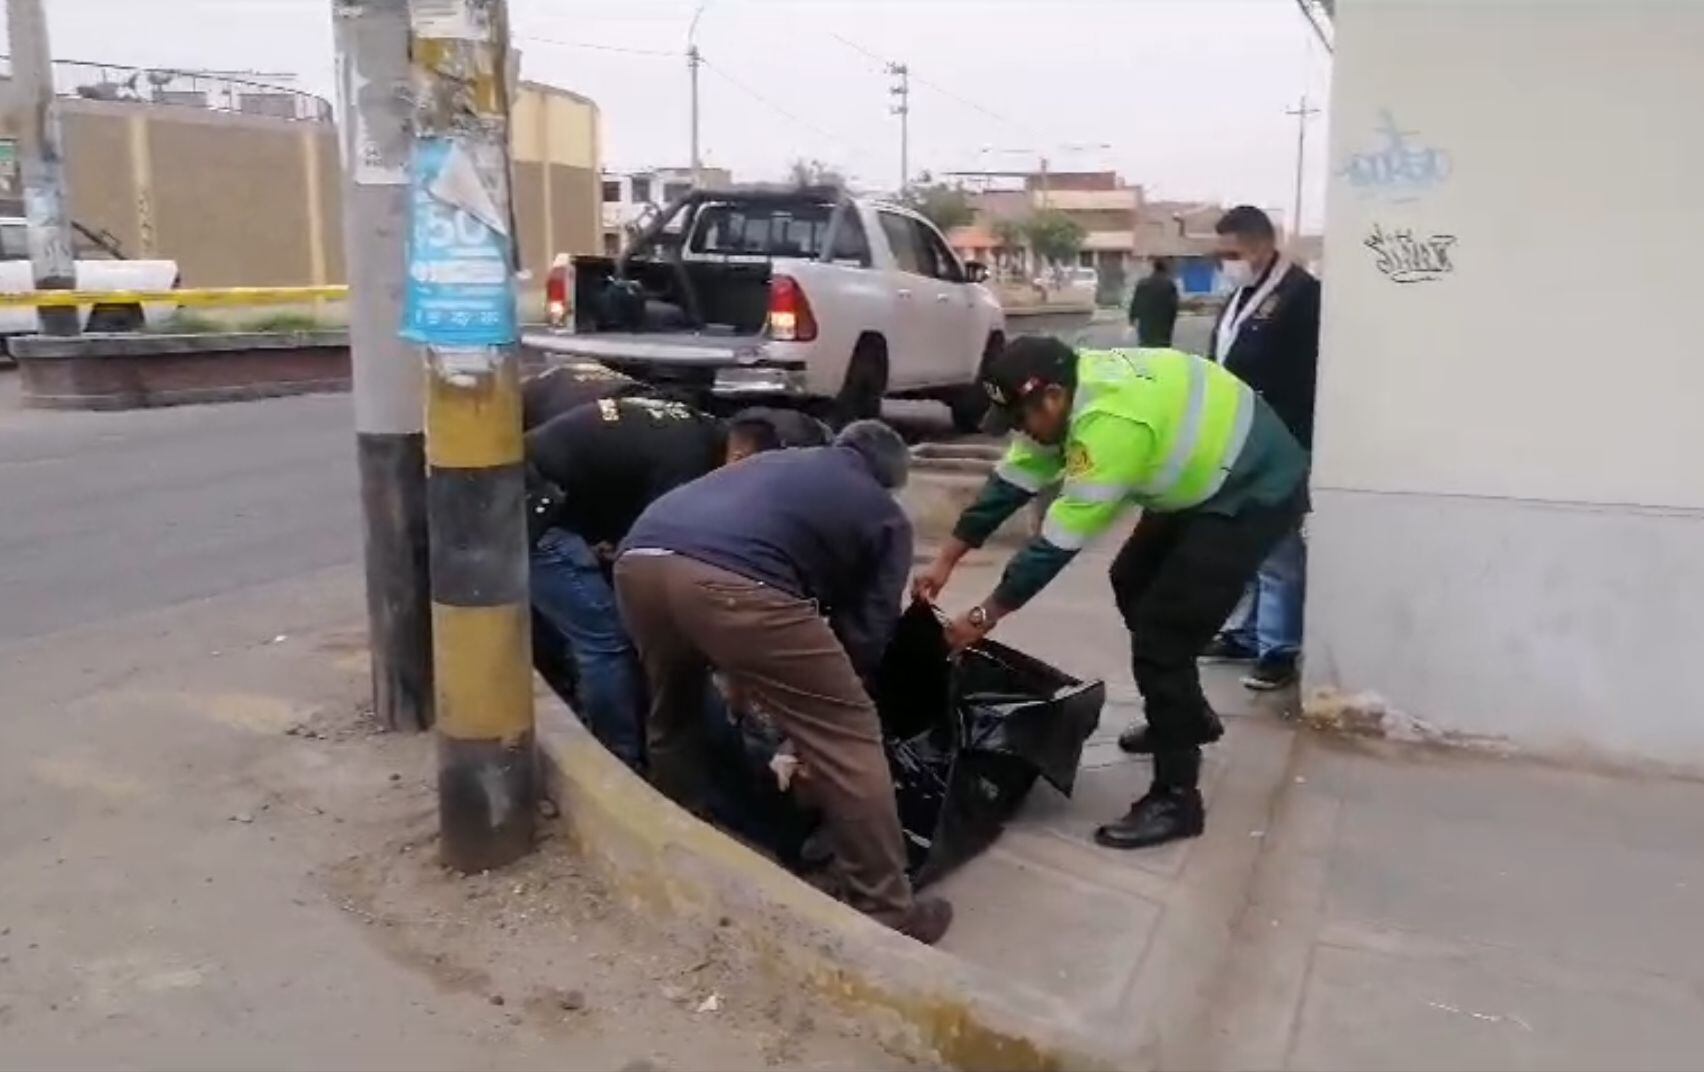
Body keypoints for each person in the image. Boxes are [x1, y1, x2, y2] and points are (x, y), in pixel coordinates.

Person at [913, 337, 1307, 850]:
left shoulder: (1109, 430)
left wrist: (982, 616)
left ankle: (1177, 796)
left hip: (1253, 487)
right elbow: (1011, 482)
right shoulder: (1062, 398)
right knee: (1131, 578)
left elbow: (1056, 543)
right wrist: (946, 559)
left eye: (1021, 419)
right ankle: (1182, 716)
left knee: (1164, 636)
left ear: (1052, 397)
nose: (1020, 433)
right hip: (1200, 475)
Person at [614, 421, 953, 944]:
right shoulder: (884, 515)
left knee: (674, 705)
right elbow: (868, 631)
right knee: (849, 733)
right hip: (729, 583)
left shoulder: (778, 464)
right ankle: (887, 907)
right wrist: (832, 703)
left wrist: (757, 672)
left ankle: (674, 840)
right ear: (889, 480)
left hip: (639, 560)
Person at [525, 398, 822, 768]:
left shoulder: (699, 433)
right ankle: (620, 761)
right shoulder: (688, 468)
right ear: (745, 456)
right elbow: (659, 561)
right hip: (530, 506)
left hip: (546, 494)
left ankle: (596, 710)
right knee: (606, 640)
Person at [1202, 205, 1320, 691]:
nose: (1225, 262)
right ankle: (1246, 633)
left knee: (1278, 548)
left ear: (1261, 246)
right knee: (1244, 543)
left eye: (1232, 252)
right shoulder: (1241, 294)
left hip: (1278, 441)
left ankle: (1279, 648)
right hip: (1237, 437)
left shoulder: (1302, 297)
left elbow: (1303, 378)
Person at [1128, 257, 1180, 347]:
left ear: (1153, 268)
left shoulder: (1143, 283)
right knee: (1162, 349)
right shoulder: (1169, 284)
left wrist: (1132, 319)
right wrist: (1171, 320)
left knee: (1146, 347)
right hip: (1163, 324)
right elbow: (1174, 306)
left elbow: (1136, 303)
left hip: (1146, 324)